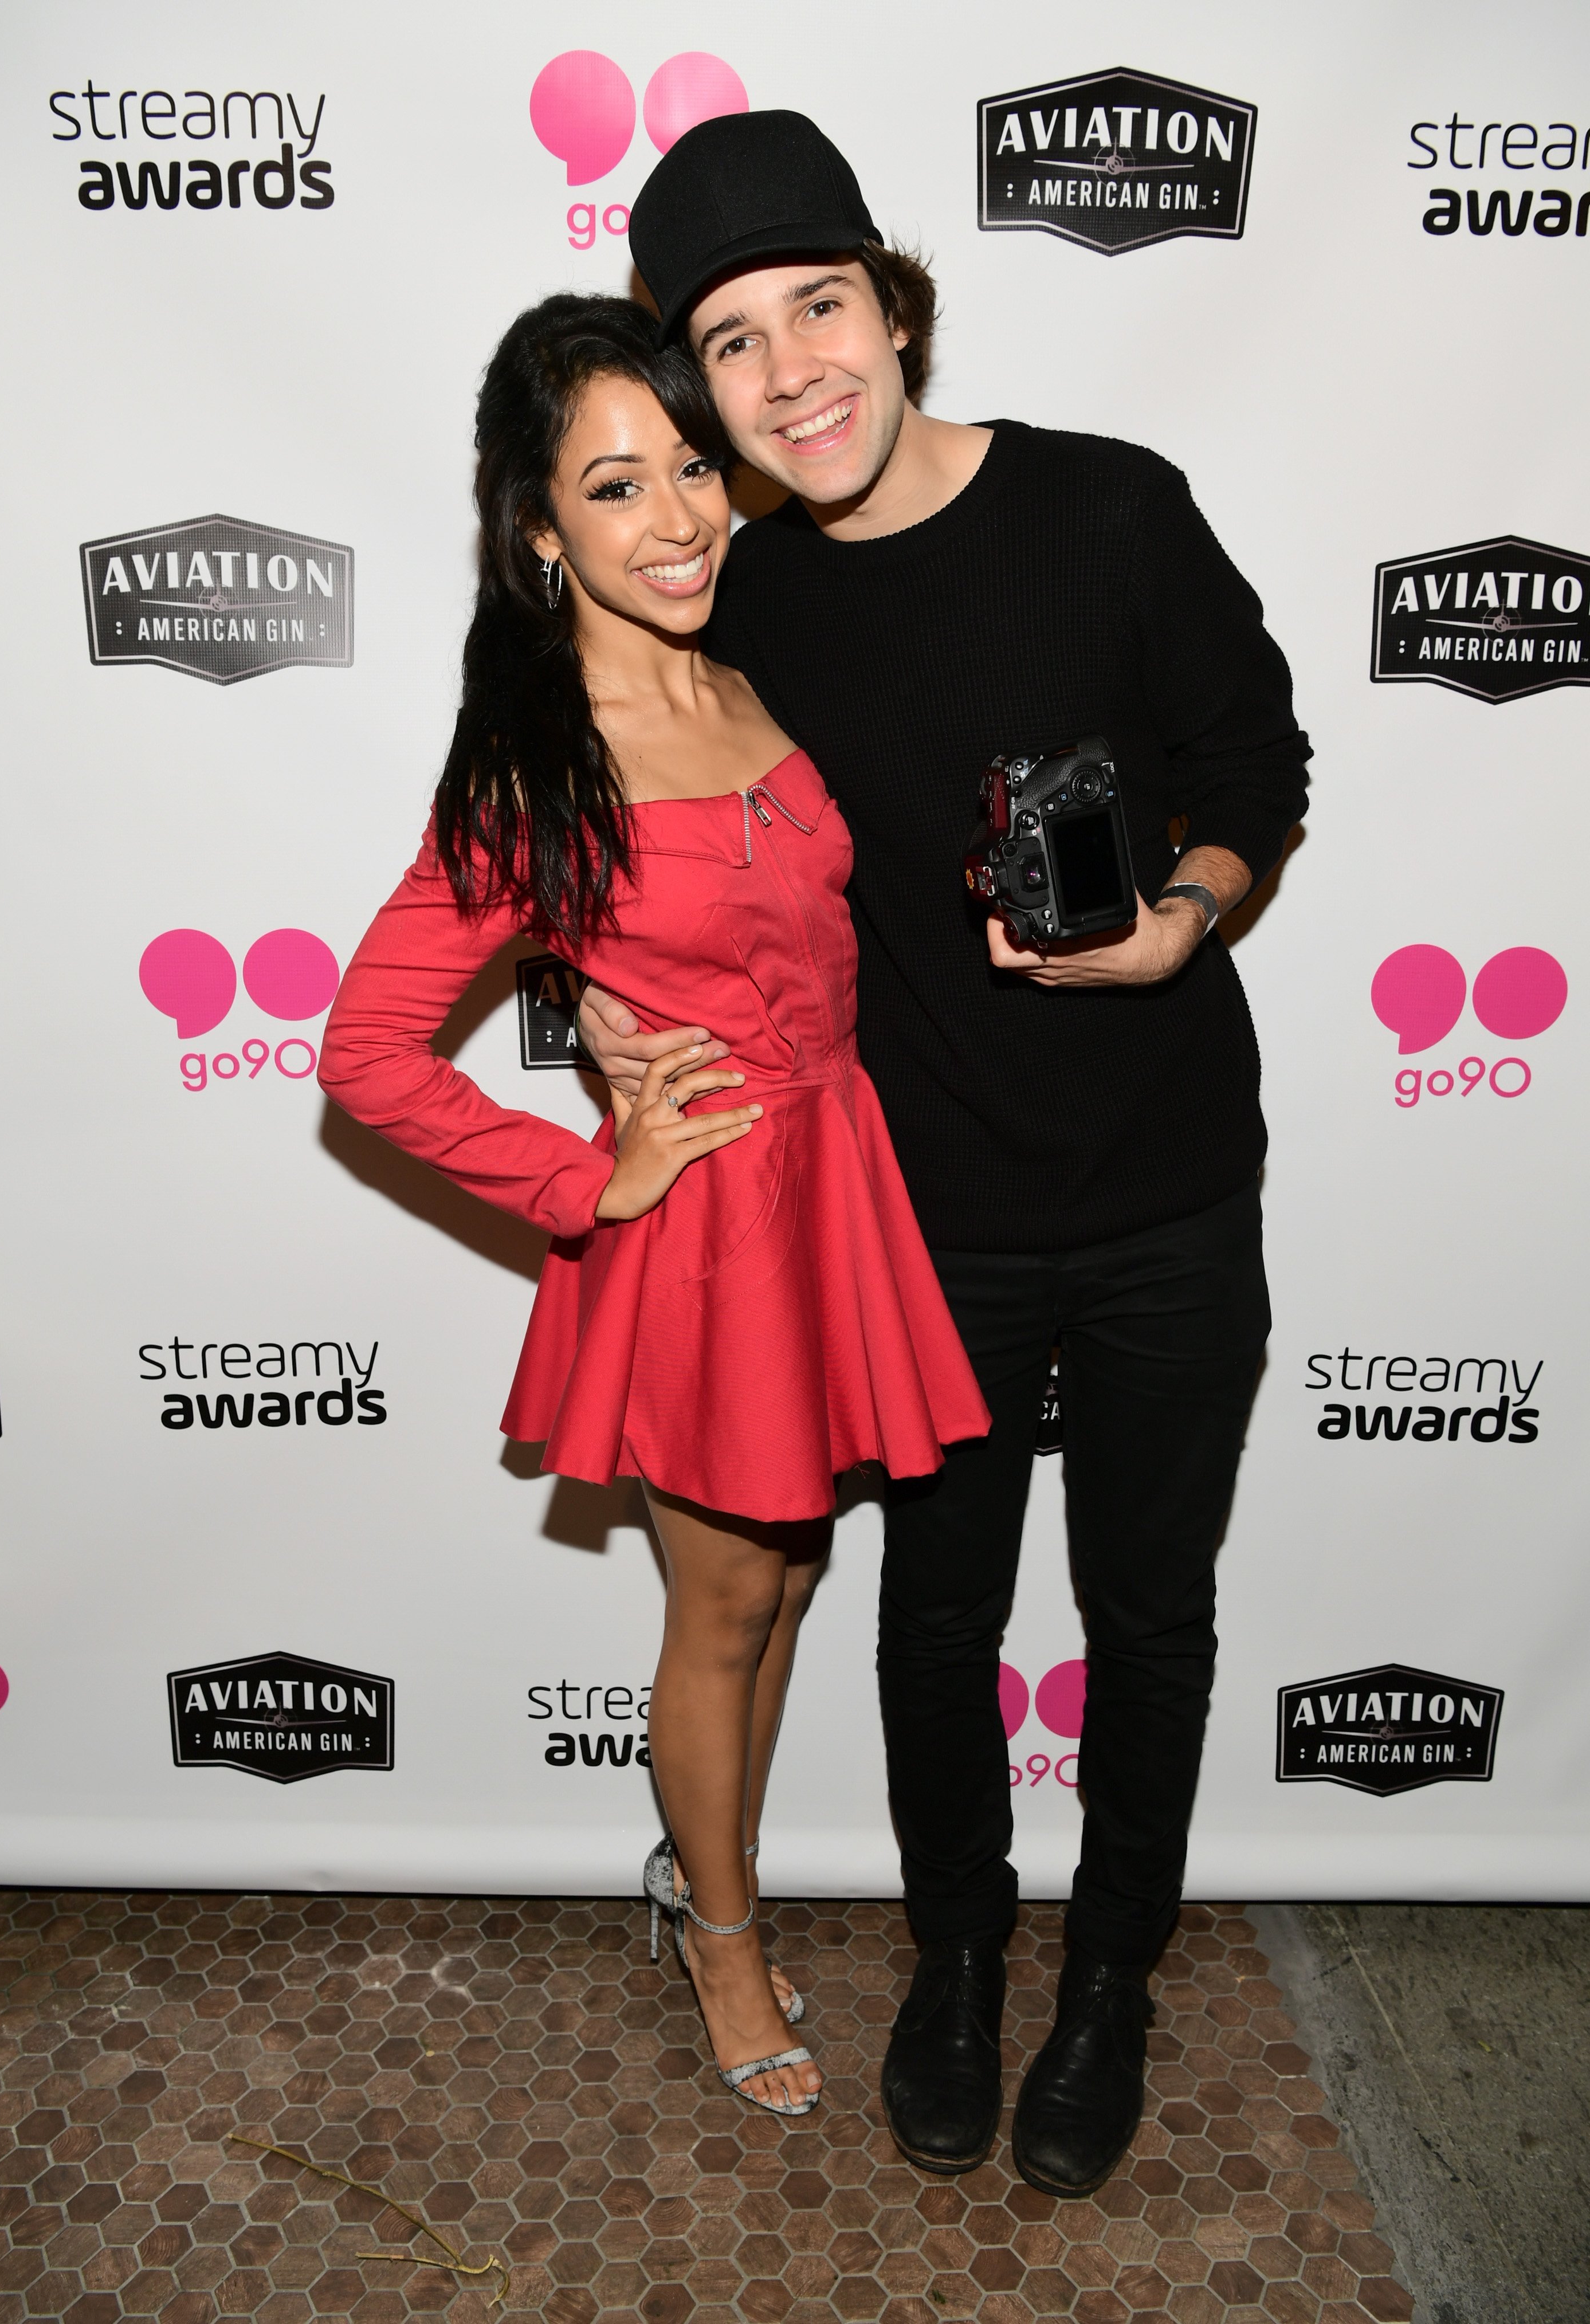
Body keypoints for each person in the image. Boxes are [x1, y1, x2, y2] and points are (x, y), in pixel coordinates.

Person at [571, 111, 1312, 2195]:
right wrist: (598, 1014)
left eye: (821, 303)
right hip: (926, 1223)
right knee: (934, 1624)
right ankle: (964, 1965)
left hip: (1172, 1189)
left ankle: (1111, 1988)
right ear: (701, 396)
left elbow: (1259, 754)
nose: (794, 365)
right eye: (732, 340)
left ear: (894, 306)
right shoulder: (750, 605)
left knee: (1152, 1617)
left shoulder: (1110, 509)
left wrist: (1185, 913)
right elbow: (625, 825)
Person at [317, 294, 990, 2122]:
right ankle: (720, 1940)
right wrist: (585, 1171)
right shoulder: (548, 770)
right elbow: (367, 1049)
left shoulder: (757, 663)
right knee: (720, 1611)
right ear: (542, 531)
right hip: (705, 1240)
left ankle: (716, 1871)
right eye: (619, 486)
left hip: (840, 1184)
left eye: (694, 464)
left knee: (785, 1578)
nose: (681, 516)